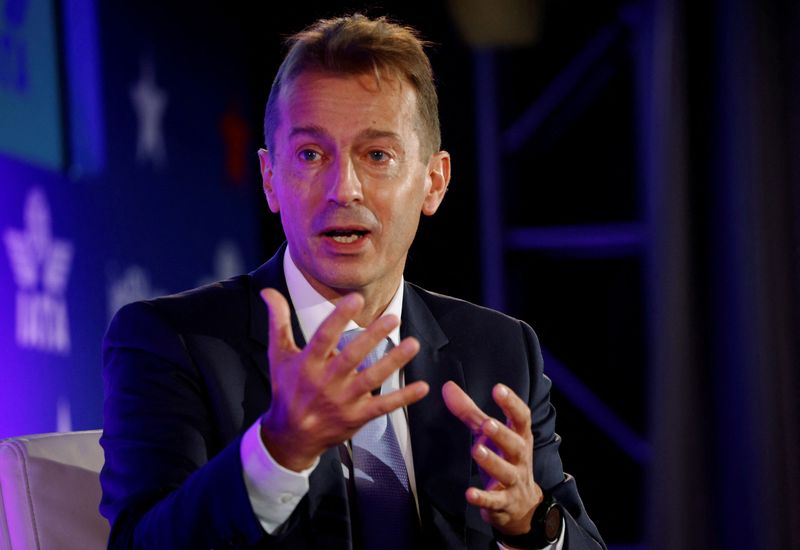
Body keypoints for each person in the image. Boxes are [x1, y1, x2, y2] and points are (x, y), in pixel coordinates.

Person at [99, 13, 605, 550]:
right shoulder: (174, 343)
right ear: (271, 181)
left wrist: (529, 522)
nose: (344, 188)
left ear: (433, 183)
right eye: (311, 155)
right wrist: (280, 451)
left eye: (377, 155)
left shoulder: (499, 352)